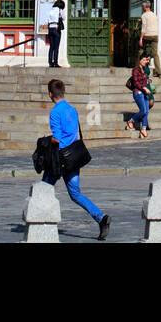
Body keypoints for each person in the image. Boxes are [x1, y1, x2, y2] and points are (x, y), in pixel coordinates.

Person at [45, 78, 110, 239]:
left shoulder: (55, 112)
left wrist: (45, 140)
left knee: (44, 188)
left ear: (50, 94)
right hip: (73, 157)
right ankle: (100, 218)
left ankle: (38, 221)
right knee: (76, 194)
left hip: (60, 158)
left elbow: (58, 138)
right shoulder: (72, 109)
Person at [124, 54, 153, 138]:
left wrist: (148, 81)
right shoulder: (135, 70)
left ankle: (143, 129)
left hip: (145, 93)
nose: (145, 62)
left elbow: (145, 79)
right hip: (138, 92)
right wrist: (144, 87)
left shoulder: (144, 69)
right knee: (143, 110)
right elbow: (136, 83)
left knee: (147, 111)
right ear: (140, 60)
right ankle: (130, 121)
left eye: (146, 60)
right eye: (143, 60)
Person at [138, 0, 161, 77]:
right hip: (155, 35)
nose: (142, 7)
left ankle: (138, 68)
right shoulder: (154, 15)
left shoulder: (144, 15)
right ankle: (158, 72)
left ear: (145, 7)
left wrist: (141, 38)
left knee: (141, 51)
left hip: (147, 35)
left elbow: (144, 28)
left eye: (142, 6)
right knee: (155, 54)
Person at [45, 0, 65, 69]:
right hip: (56, 28)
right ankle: (55, 63)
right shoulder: (60, 10)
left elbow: (47, 19)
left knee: (51, 47)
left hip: (50, 28)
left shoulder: (50, 10)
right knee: (56, 47)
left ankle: (50, 63)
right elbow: (64, 17)